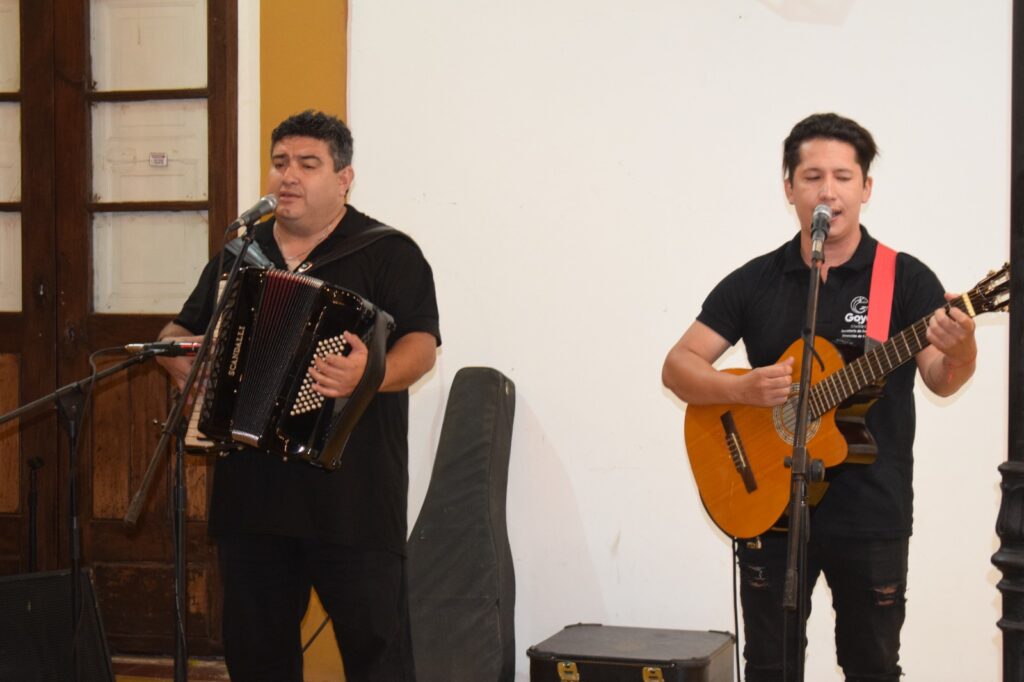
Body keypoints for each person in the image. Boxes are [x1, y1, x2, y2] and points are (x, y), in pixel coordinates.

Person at [661, 113, 977, 681]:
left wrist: (964, 349)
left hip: (872, 513)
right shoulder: (757, 280)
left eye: (843, 177)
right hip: (769, 510)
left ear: (866, 188)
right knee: (770, 668)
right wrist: (744, 388)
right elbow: (678, 367)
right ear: (789, 188)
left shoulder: (904, 279)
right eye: (811, 177)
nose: (828, 191)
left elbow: (940, 377)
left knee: (873, 668)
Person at [155, 110, 440, 682]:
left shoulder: (388, 252)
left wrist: (369, 374)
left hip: (352, 500)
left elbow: (423, 346)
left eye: (308, 164)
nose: (288, 175)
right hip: (252, 499)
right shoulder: (242, 253)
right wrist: (180, 361)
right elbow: (179, 331)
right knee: (257, 658)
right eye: (280, 162)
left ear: (344, 178)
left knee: (378, 658)